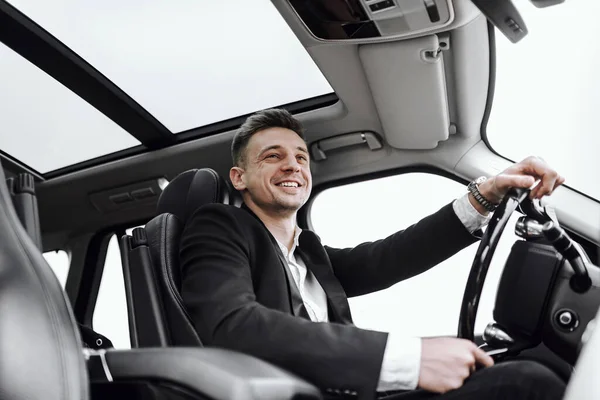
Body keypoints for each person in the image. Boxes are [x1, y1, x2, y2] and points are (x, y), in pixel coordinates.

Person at [179, 108, 567, 399]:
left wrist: (485, 195)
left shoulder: (308, 252)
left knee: (522, 371)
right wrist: (408, 360)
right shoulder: (219, 226)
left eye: (300, 157)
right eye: (272, 156)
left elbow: (390, 257)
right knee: (525, 385)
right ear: (239, 177)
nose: (292, 166)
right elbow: (232, 325)